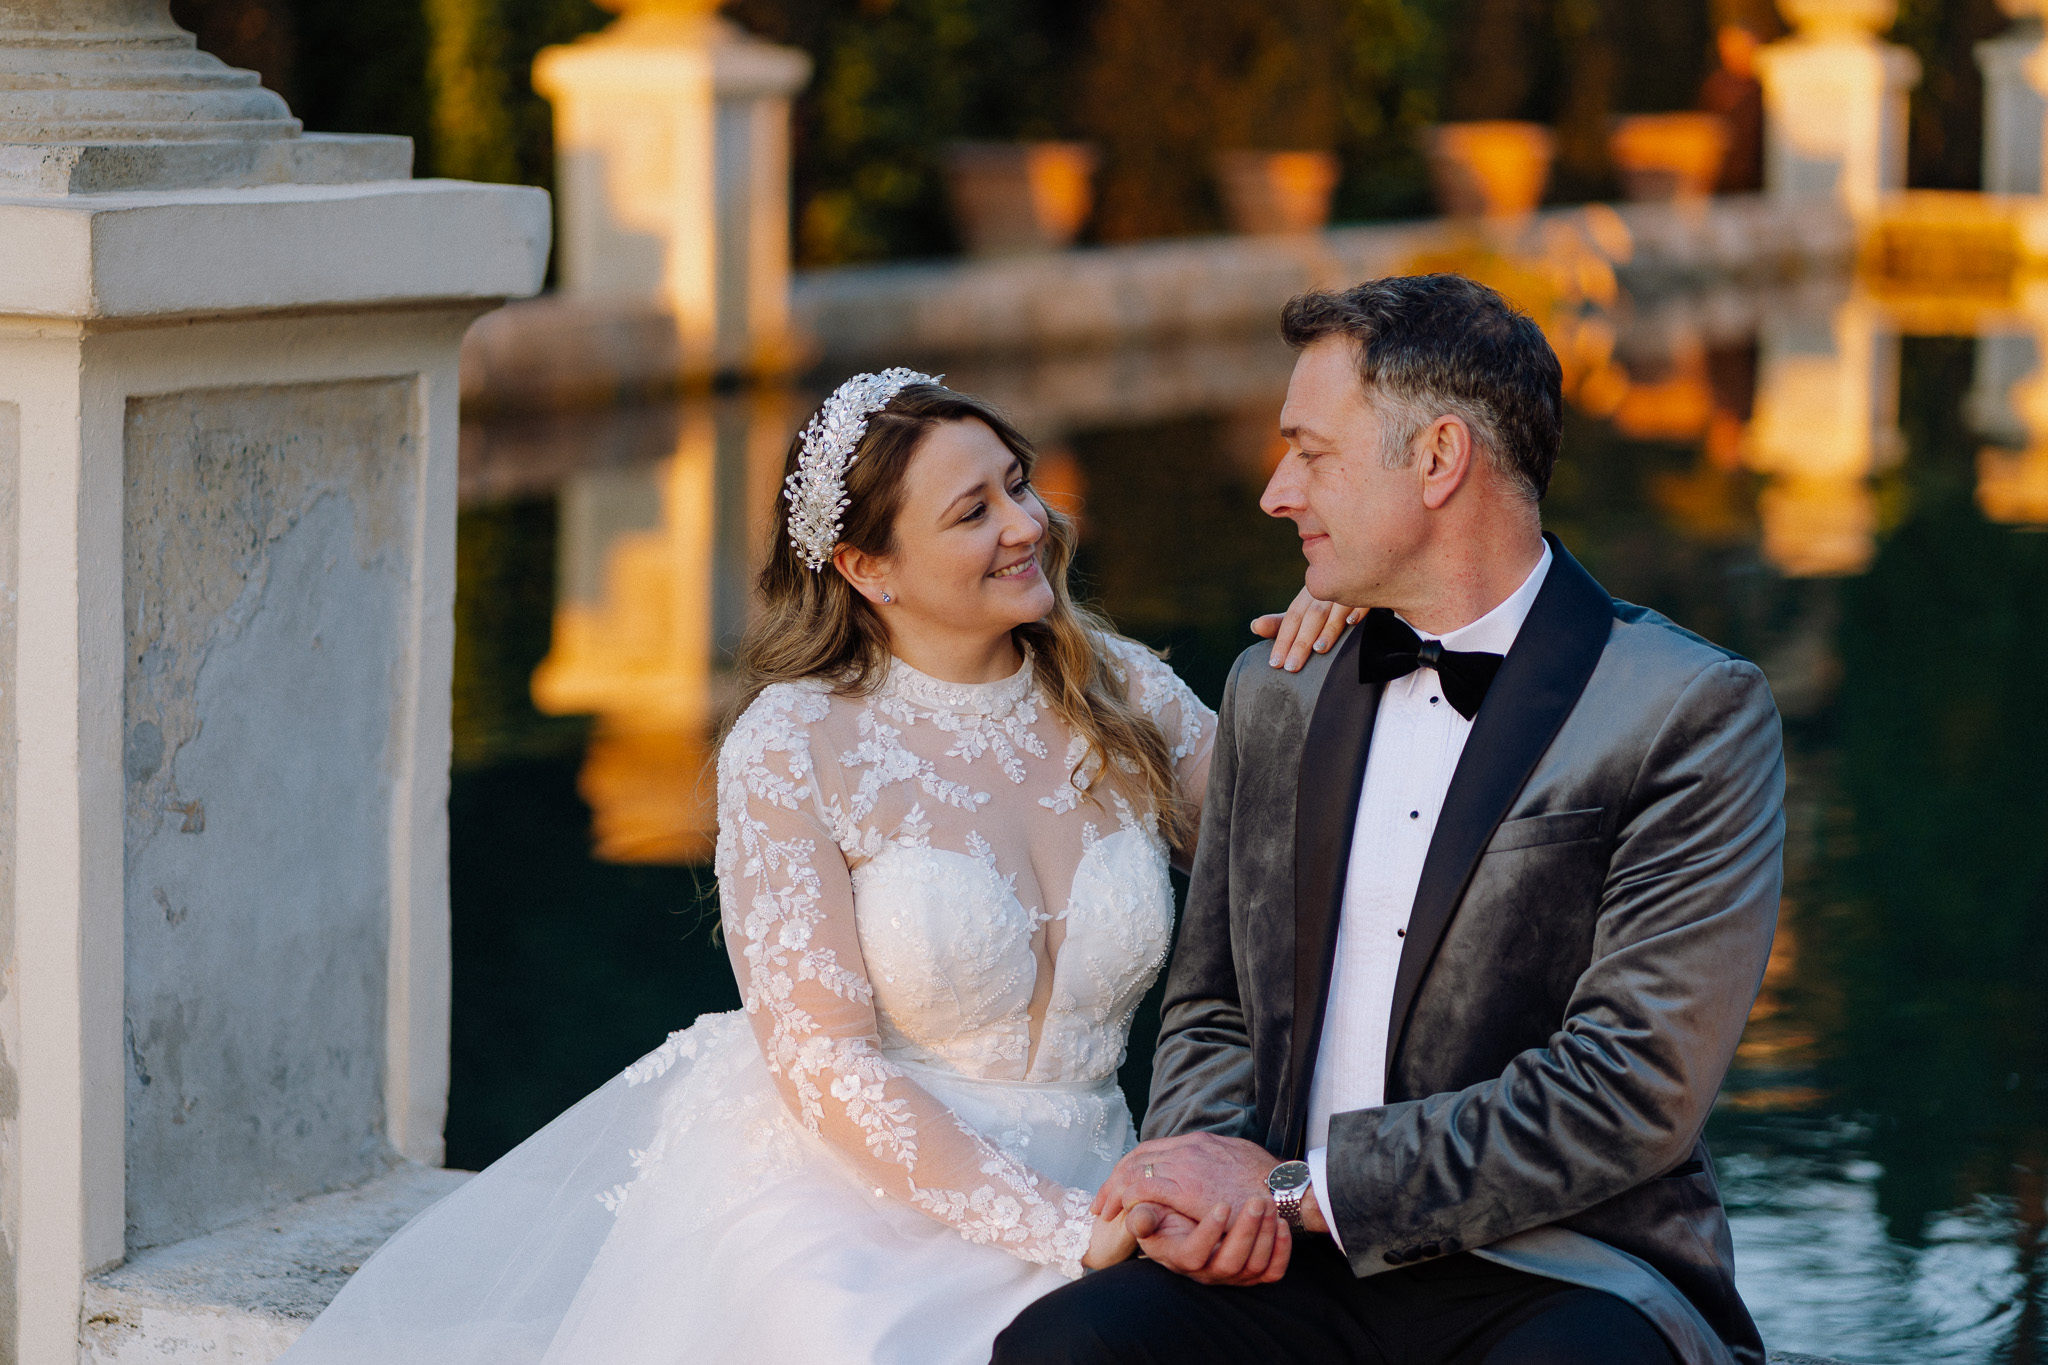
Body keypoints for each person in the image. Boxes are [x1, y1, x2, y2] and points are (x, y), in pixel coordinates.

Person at [278, 372, 1350, 1365]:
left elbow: (1301, 851)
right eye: (972, 512)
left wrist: (1336, 647)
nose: (1026, 524)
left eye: (1016, 484)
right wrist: (1068, 1229)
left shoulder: (1118, 686)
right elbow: (827, 1067)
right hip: (857, 1203)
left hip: (1109, 1171)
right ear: (865, 568)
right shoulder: (794, 742)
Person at [995, 275, 1784, 1365]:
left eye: (1310, 453)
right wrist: (1208, 1185)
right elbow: (1214, 1008)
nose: (1275, 492)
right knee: (1064, 1347)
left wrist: (1294, 1188)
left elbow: (1627, 1086)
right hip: (1284, 1261)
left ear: (1438, 458)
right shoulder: (1279, 686)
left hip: (1560, 1264)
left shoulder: (1682, 707)